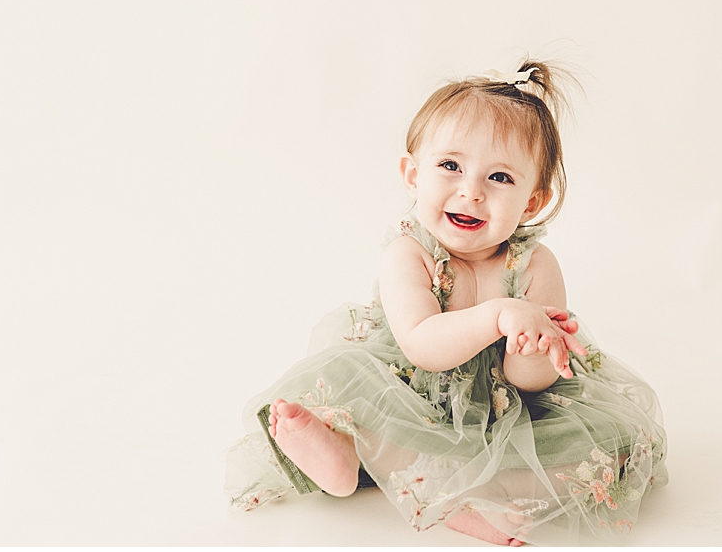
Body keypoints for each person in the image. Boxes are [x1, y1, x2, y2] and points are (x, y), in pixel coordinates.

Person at [225, 60, 667, 545]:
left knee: (614, 451)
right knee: (359, 407)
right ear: (413, 175)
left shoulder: (535, 265)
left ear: (532, 202)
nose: (471, 191)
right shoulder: (409, 254)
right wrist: (500, 315)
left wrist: (531, 346)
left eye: (500, 177)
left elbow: (532, 382)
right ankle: (345, 457)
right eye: (451, 166)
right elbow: (423, 346)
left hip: (505, 409)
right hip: (410, 395)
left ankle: (482, 496)